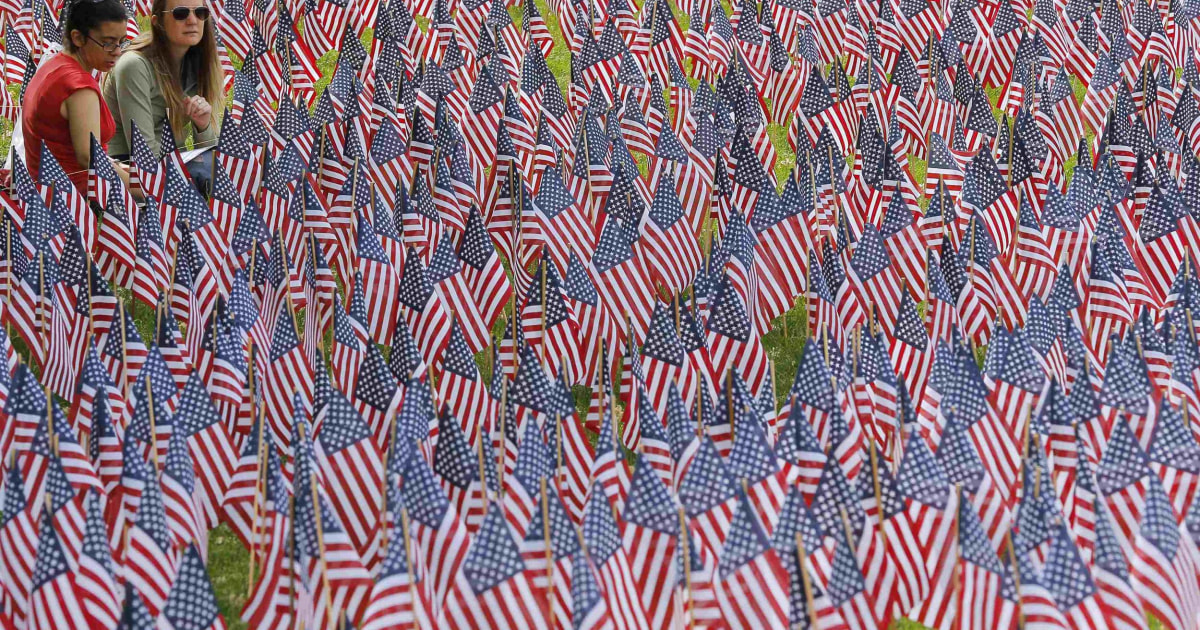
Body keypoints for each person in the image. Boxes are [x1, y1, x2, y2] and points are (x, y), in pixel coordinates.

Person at [102, 0, 222, 190]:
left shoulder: (197, 64)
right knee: (217, 175)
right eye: (180, 13)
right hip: (130, 170)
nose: (192, 21)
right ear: (158, 22)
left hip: (175, 162)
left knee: (239, 168)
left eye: (200, 12)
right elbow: (144, 154)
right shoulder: (134, 66)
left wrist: (203, 124)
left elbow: (211, 149)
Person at [22, 0, 129, 194]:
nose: (118, 52)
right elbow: (91, 159)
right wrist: (146, 189)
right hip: (75, 201)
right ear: (78, 38)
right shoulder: (78, 87)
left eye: (121, 42)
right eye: (108, 43)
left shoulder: (54, 65)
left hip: (46, 190)